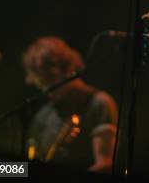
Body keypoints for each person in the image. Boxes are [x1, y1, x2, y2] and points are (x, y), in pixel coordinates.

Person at [22, 36, 118, 173]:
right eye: (42, 84)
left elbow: (106, 165)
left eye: (50, 79)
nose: (47, 88)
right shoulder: (43, 115)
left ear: (69, 70)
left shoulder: (99, 103)